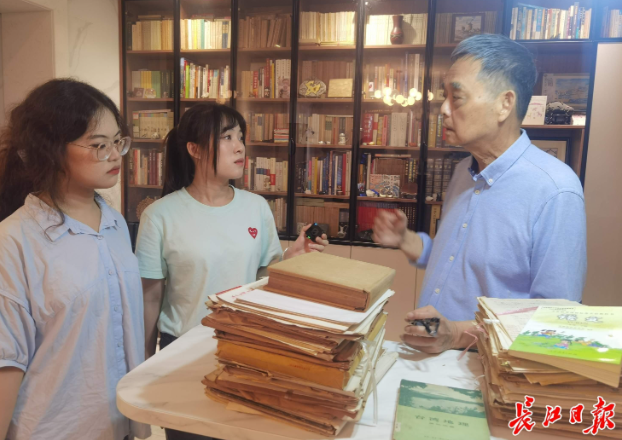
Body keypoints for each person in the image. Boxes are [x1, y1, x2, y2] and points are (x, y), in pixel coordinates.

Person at [373, 34, 586, 355]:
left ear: (504, 104)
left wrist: (457, 334)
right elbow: (453, 258)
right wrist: (406, 240)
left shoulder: (555, 190)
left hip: (489, 369)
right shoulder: (463, 171)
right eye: (444, 97)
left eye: (456, 97)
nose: (443, 109)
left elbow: (558, 320)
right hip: (433, 359)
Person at [134, 104, 328, 440]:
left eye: (240, 137)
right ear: (194, 149)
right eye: (226, 137)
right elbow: (150, 298)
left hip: (248, 351)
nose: (239, 147)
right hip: (184, 353)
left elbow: (265, 275)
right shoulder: (159, 216)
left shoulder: (256, 207)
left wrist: (292, 258)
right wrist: (144, 365)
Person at [0, 79, 149, 440]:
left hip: (118, 425)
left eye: (118, 141)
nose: (115, 155)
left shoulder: (113, 222)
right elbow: (7, 361)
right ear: (50, 150)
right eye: (99, 145)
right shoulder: (15, 240)